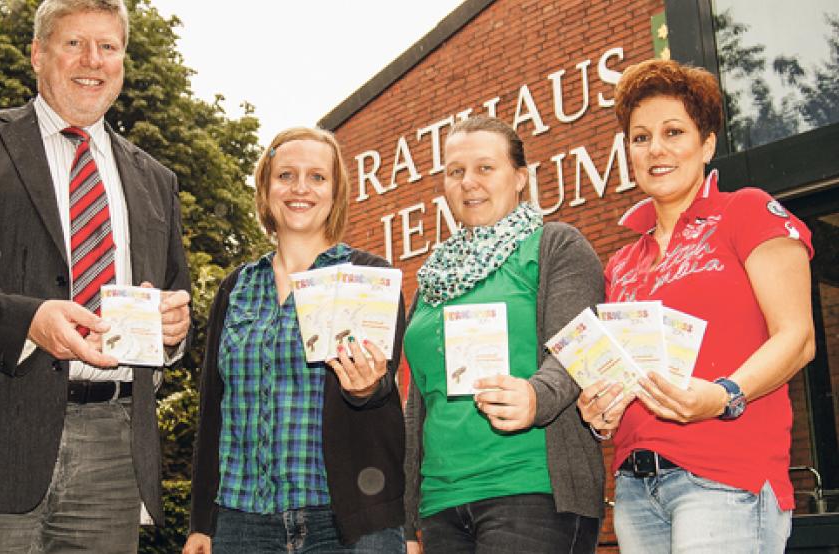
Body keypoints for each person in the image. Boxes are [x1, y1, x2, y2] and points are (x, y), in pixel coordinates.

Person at [0, 0, 192, 551]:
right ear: (38, 53)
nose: (92, 60)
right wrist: (27, 321)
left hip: (114, 454)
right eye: (74, 43)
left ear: (123, 59)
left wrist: (174, 331)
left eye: (108, 46)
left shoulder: (157, 181)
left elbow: (173, 297)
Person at [578, 59, 815, 553]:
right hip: (635, 486)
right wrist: (601, 409)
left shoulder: (746, 211)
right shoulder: (621, 262)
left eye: (673, 132)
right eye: (641, 138)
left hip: (725, 479)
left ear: (707, 144)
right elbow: (625, 376)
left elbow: (798, 337)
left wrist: (724, 394)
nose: (656, 149)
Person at [183, 127, 406, 554]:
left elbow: (383, 389)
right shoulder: (236, 289)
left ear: (336, 191)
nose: (300, 188)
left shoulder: (369, 278)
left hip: (347, 525)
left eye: (317, 177)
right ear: (266, 188)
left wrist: (367, 387)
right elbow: (214, 407)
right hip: (241, 525)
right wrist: (201, 523)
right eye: (285, 175)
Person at [403, 116, 605, 553]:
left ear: (519, 178)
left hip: (533, 493)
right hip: (441, 504)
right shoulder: (433, 280)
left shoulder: (557, 246)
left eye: (485, 168)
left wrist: (538, 396)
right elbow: (418, 402)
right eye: (456, 172)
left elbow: (579, 348)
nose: (468, 182)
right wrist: (406, 519)